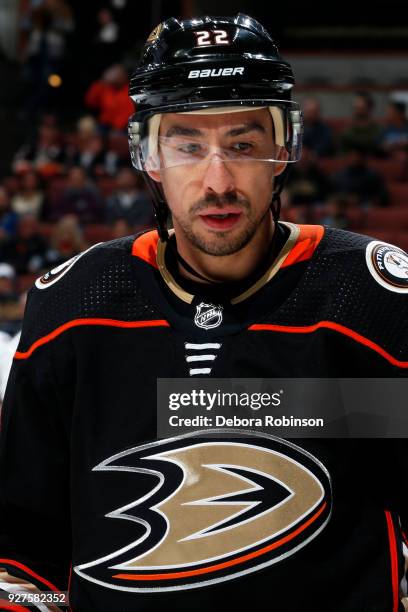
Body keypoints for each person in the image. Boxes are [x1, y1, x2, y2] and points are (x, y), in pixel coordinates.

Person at [0, 15, 407, 612]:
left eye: (243, 145)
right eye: (188, 145)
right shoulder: (73, 308)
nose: (218, 180)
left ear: (282, 150)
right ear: (149, 156)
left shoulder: (369, 299)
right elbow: (23, 548)